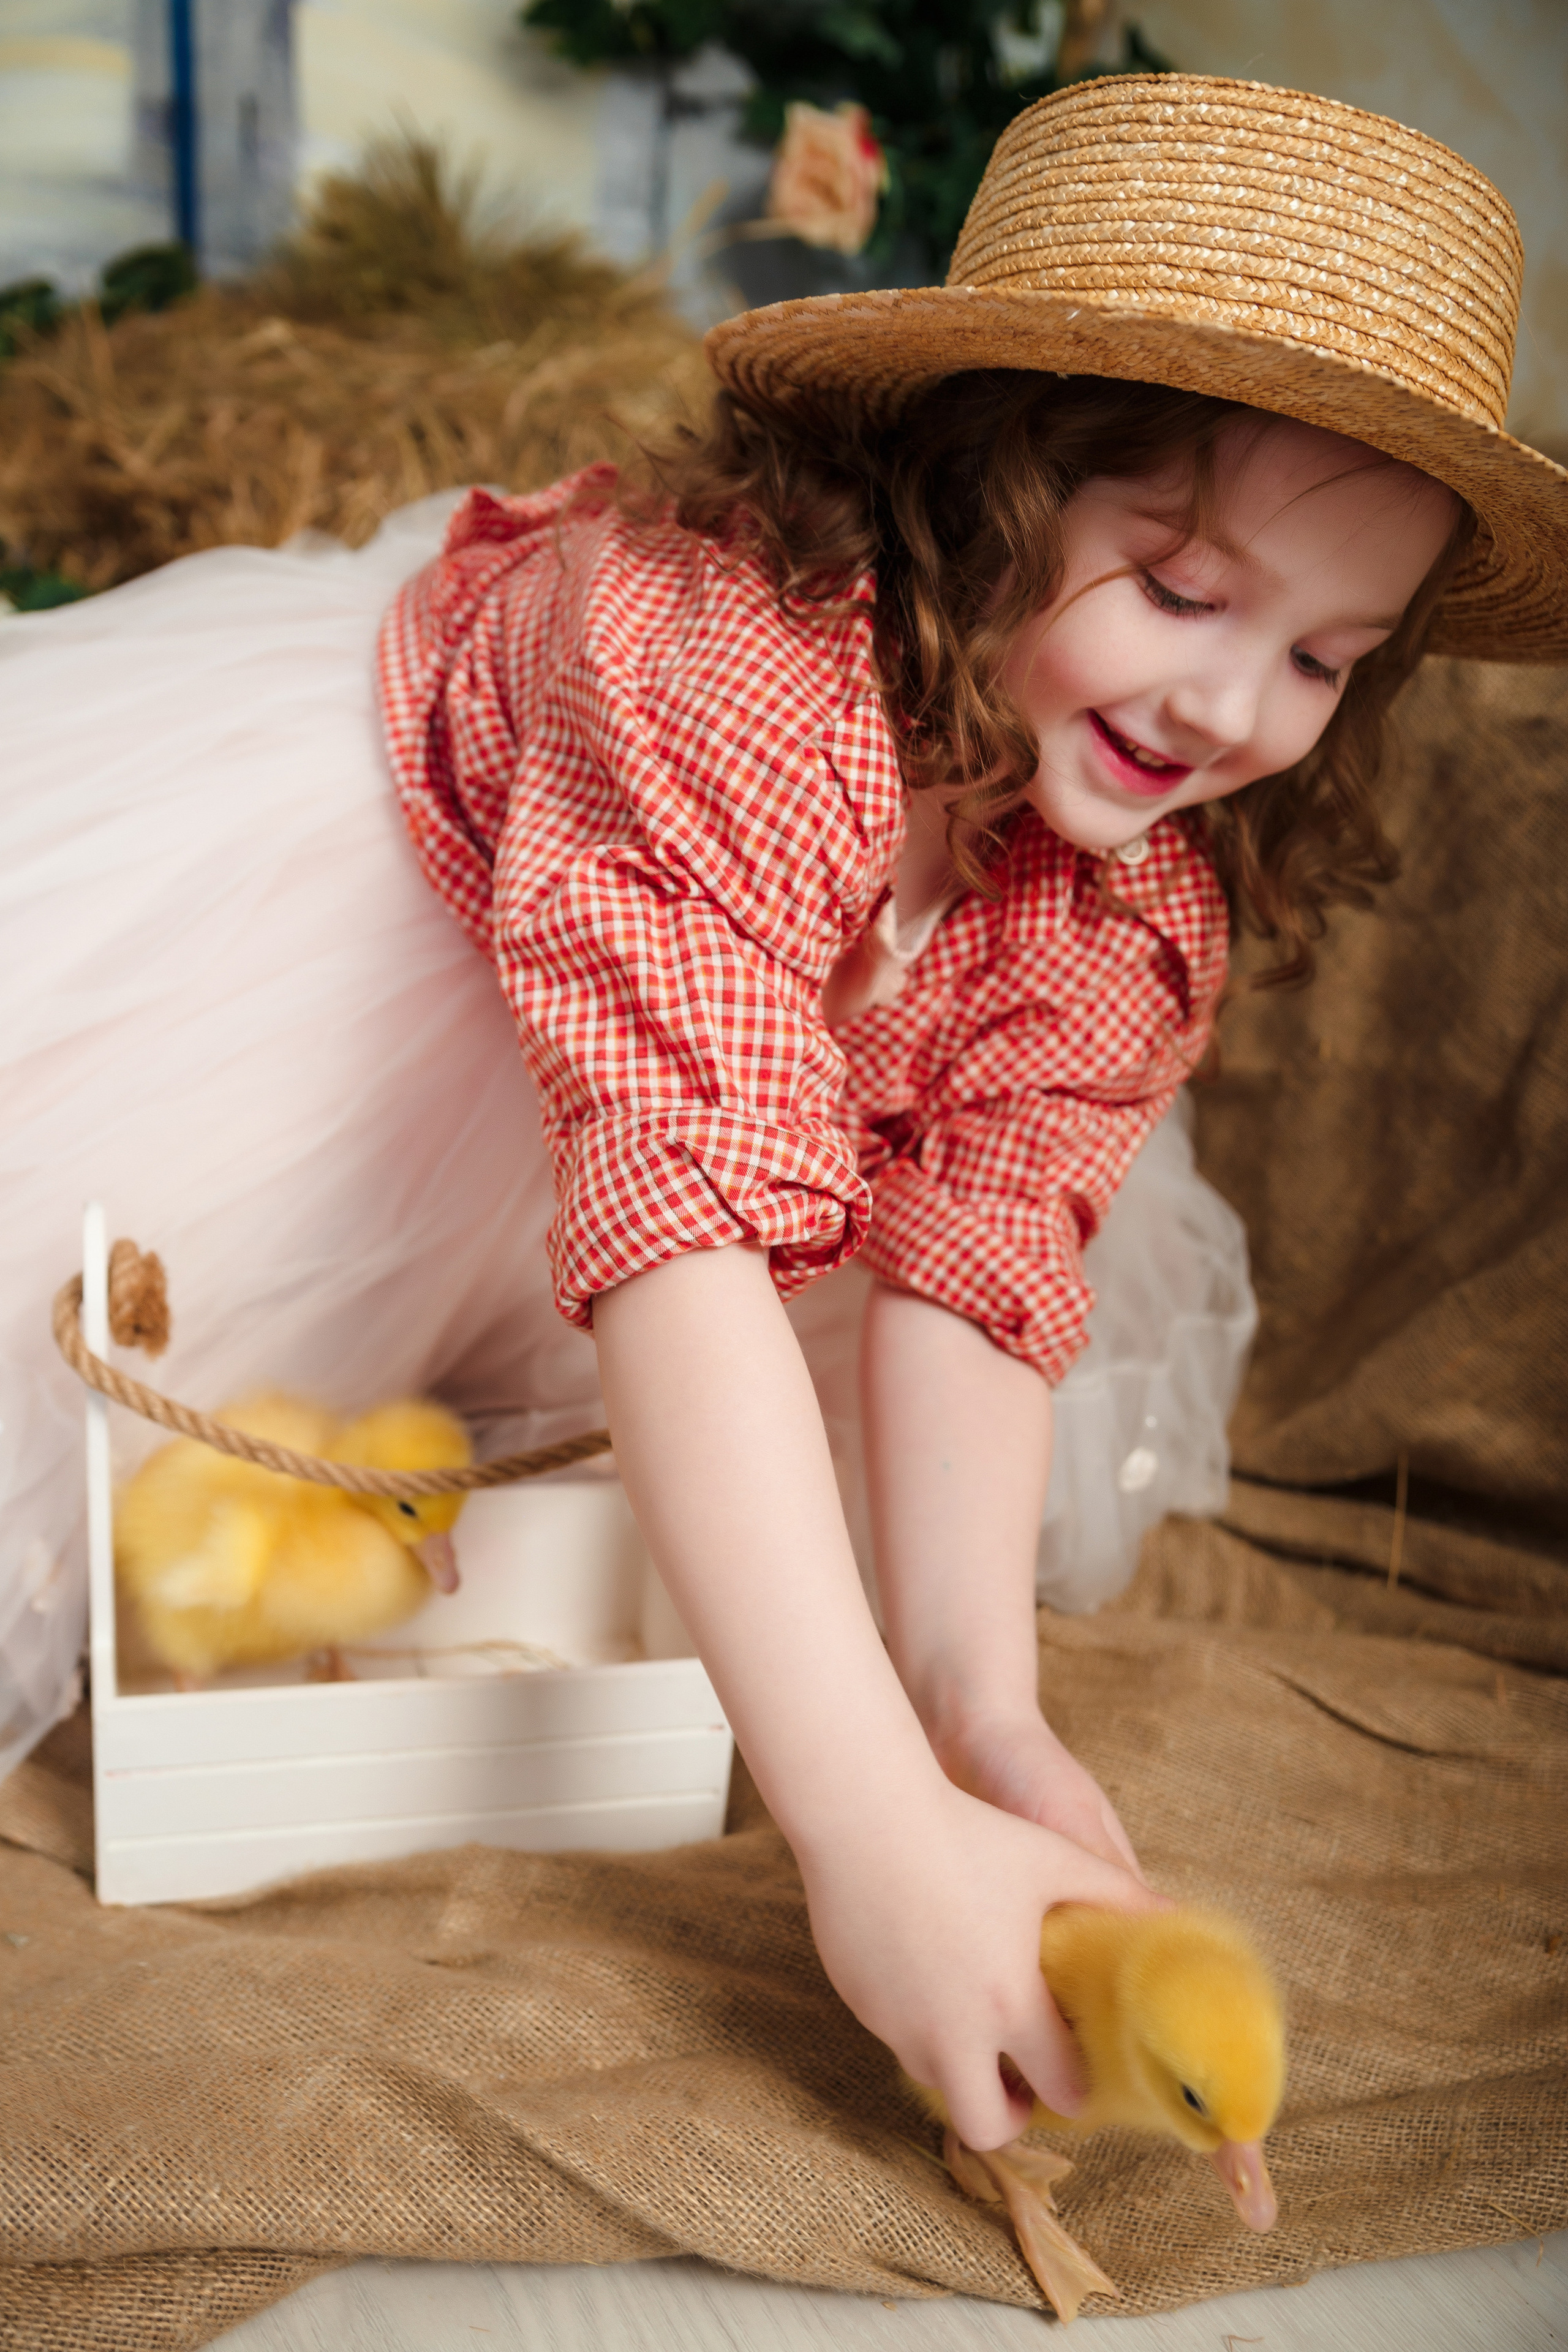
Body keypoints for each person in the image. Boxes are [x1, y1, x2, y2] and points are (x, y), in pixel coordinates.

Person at [2, 75, 1562, 2154]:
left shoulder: (1119, 887)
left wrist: (974, 1720)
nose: (1230, 712)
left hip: (702, 1082)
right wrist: (860, 1830)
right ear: (984, 479)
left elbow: (976, 1262)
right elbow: (673, 1222)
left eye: (1326, 660)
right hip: (383, 954)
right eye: (1185, 592)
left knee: (767, 1478)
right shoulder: (716, 652)